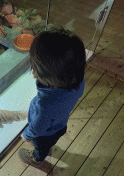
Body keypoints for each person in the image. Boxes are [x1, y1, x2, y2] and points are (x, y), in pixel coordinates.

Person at [18, 24, 86, 168]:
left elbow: (38, 128)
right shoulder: (78, 81)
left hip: (43, 135)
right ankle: (47, 148)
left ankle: (37, 159)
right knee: (50, 141)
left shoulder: (44, 104)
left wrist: (27, 135)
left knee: (41, 148)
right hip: (60, 125)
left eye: (35, 67)